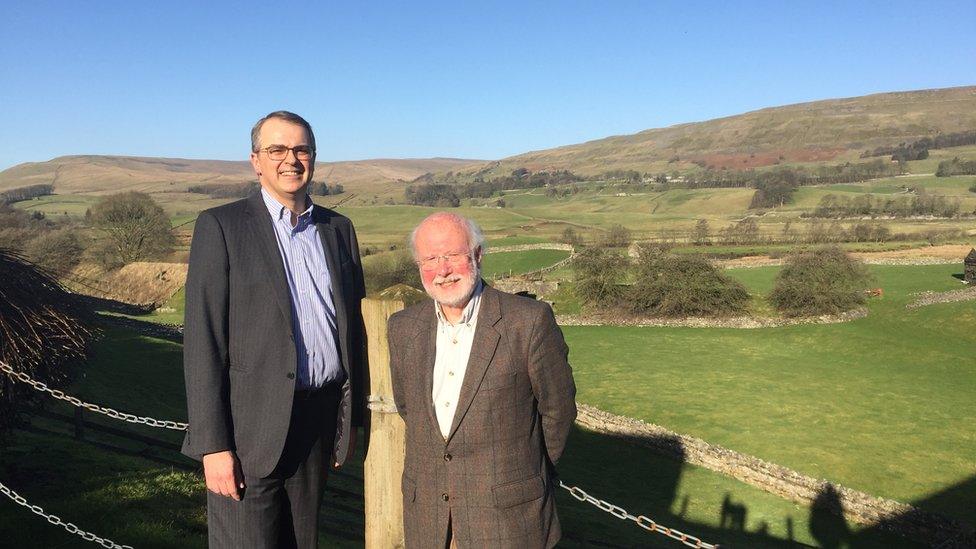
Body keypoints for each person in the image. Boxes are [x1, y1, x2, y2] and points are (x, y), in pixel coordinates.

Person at [181, 111, 366, 548]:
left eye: (301, 149)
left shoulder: (338, 229)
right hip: (247, 434)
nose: (291, 160)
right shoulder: (222, 226)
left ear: (314, 159)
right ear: (255, 161)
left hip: (317, 425)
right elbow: (202, 341)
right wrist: (213, 445)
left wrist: (349, 418)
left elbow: (352, 331)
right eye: (277, 149)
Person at [388, 212, 577, 548]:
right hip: (428, 521)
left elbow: (558, 411)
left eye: (452, 256)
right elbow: (409, 409)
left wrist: (524, 474)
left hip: (509, 519)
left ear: (476, 255)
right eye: (430, 259)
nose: (442, 270)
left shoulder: (528, 322)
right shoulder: (402, 328)